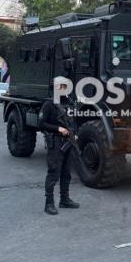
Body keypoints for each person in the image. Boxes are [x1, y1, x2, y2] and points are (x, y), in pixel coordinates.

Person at [39, 79, 80, 215]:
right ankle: (48, 203)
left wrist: (74, 134)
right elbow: (41, 124)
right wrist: (58, 129)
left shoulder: (69, 103)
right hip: (55, 142)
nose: (64, 89)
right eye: (62, 86)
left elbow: (73, 121)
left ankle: (64, 199)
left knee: (66, 173)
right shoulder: (49, 104)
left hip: (68, 142)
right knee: (53, 173)